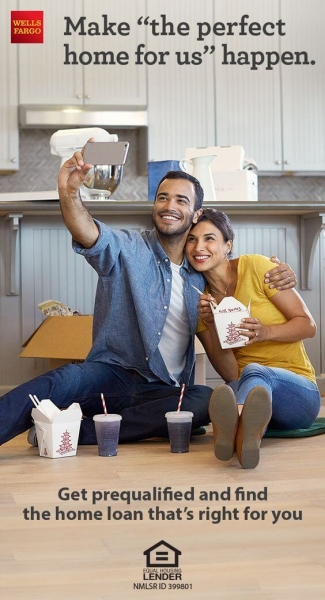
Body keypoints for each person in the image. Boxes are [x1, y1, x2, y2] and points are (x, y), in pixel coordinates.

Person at [0, 158, 297, 447]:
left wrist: (279, 272)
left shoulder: (200, 278)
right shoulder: (127, 248)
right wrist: (69, 193)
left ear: (195, 213)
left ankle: (79, 431)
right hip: (110, 375)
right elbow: (88, 232)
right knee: (63, 380)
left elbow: (233, 272)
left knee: (204, 399)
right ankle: (129, 423)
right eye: (163, 198)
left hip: (164, 390)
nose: (170, 206)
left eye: (181, 200)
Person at [185, 208, 321, 469]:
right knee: (232, 387)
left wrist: (265, 332)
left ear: (228, 245)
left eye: (209, 238)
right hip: (253, 398)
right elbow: (231, 373)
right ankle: (246, 433)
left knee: (258, 372)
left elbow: (308, 325)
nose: (198, 247)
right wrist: (212, 324)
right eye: (191, 239)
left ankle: (236, 433)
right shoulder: (202, 304)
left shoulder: (258, 267)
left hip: (298, 394)